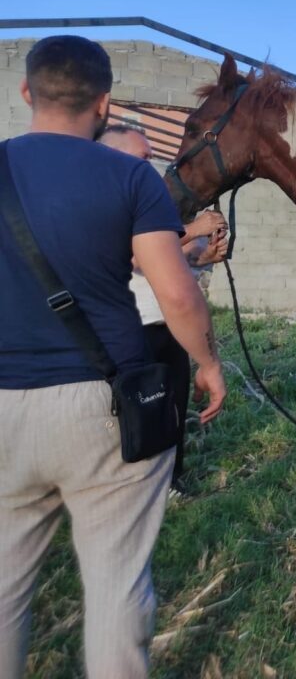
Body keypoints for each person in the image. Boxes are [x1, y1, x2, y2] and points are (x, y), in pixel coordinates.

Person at [0, 36, 226, 678]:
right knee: (117, 584)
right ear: (104, 104)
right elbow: (177, 293)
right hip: (104, 406)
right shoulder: (130, 177)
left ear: (26, 93)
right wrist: (207, 365)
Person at [98, 125, 229, 497]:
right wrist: (196, 227)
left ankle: (171, 481)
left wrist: (205, 256)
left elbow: (173, 261)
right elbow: (137, 254)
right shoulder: (108, 203)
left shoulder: (142, 201)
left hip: (166, 325)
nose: (150, 167)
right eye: (142, 157)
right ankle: (134, 487)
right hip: (134, 327)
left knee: (172, 406)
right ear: (112, 154)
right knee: (137, 411)